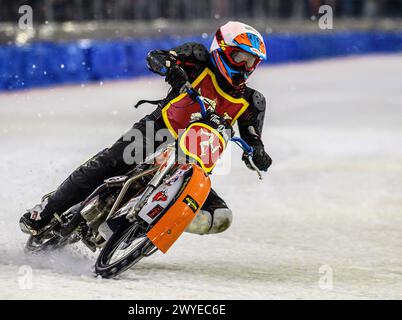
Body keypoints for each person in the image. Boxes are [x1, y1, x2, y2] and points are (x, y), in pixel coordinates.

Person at [20, 21, 272, 236]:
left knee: (221, 216)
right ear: (222, 50)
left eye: (252, 62)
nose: (246, 67)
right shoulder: (198, 57)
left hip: (192, 163)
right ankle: (46, 210)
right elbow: (158, 57)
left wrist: (258, 155)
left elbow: (253, 139)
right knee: (108, 162)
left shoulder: (252, 101)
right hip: (159, 130)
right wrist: (172, 69)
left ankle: (139, 231)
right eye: (241, 58)